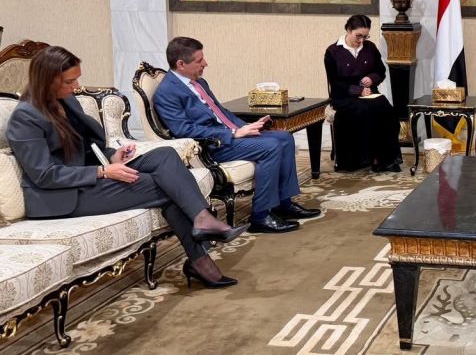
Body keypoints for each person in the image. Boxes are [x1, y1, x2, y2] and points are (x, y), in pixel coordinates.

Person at [5, 46, 247, 289]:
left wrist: (112, 156)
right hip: (61, 196)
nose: (77, 86)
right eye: (70, 81)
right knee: (167, 187)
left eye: (77, 78)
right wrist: (102, 171)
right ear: (47, 80)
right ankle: (201, 258)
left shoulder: (65, 101)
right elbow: (44, 175)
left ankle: (202, 221)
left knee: (165, 155)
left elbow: (86, 149)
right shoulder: (25, 118)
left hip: (87, 177)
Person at [154, 37, 320, 234]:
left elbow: (220, 112)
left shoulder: (199, 82)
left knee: (284, 138)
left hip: (229, 136)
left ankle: (283, 204)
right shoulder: (167, 92)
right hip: (211, 146)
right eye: (199, 61)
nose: (205, 63)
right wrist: (233, 133)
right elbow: (184, 130)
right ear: (181, 64)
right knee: (271, 147)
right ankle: (261, 217)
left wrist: (248, 127)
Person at [324, 14, 402, 173]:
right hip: (344, 96)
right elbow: (335, 82)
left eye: (365, 36)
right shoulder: (333, 51)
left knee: (387, 110)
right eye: (358, 36)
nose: (361, 40)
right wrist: (358, 90)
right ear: (348, 30)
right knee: (361, 110)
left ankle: (385, 159)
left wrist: (371, 79)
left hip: (371, 94)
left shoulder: (370, 47)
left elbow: (380, 71)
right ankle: (360, 159)